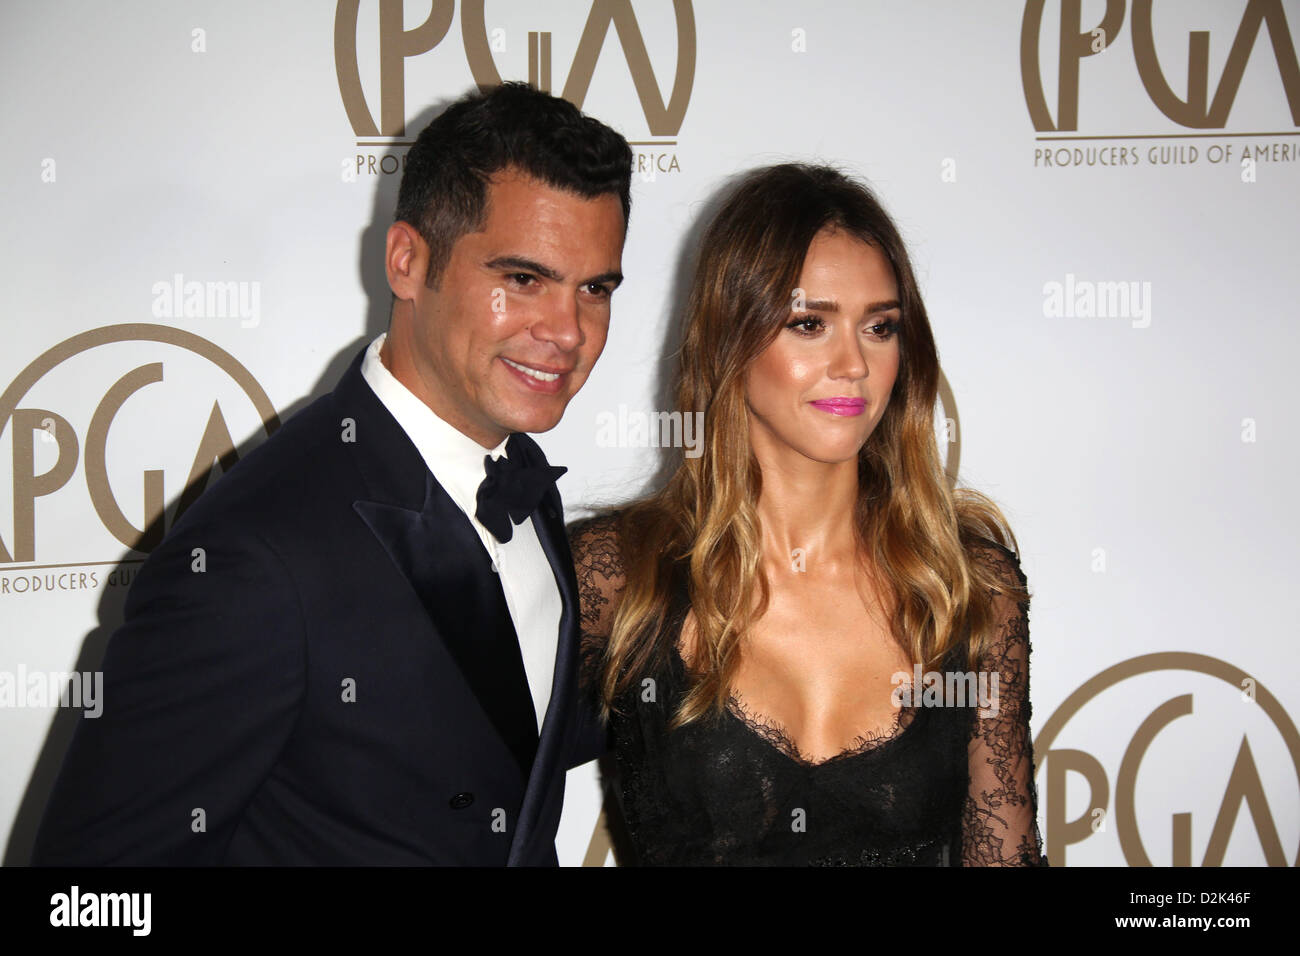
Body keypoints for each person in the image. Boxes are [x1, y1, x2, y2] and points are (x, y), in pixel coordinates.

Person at [32, 82, 632, 865]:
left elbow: (496, 758)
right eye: (523, 279)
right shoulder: (256, 557)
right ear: (408, 261)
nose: (566, 330)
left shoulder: (520, 479)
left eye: (595, 288)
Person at [570, 163, 1048, 866]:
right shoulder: (616, 575)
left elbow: (1002, 854)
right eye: (809, 323)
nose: (852, 363)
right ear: (730, 336)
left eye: (880, 327)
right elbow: (466, 799)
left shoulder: (966, 582)